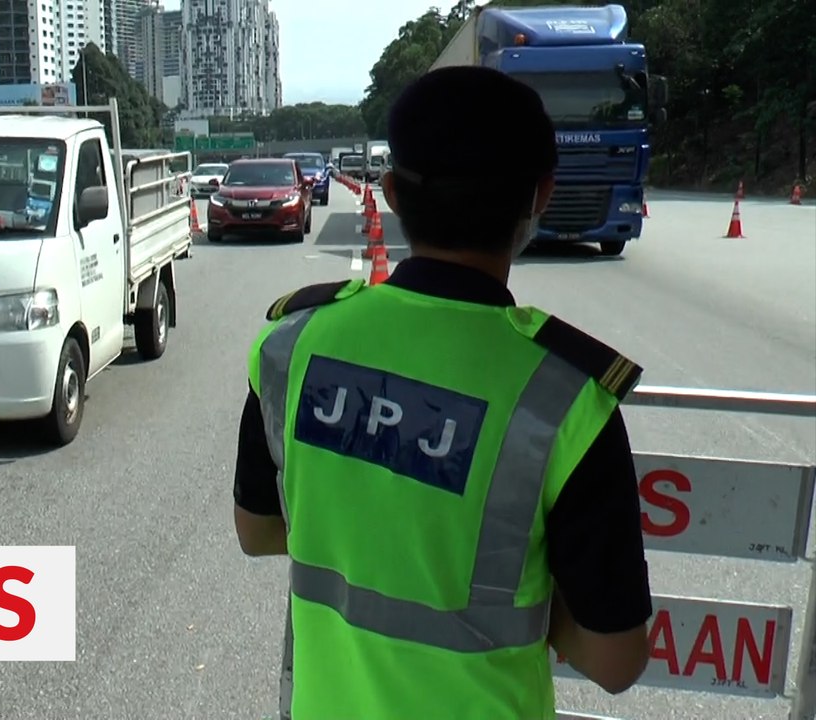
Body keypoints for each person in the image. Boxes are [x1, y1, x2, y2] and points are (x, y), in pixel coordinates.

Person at [232, 66, 653, 720]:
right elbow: (615, 660)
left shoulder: (292, 347)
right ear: (540, 196)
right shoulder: (565, 400)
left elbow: (258, 533)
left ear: (393, 193)